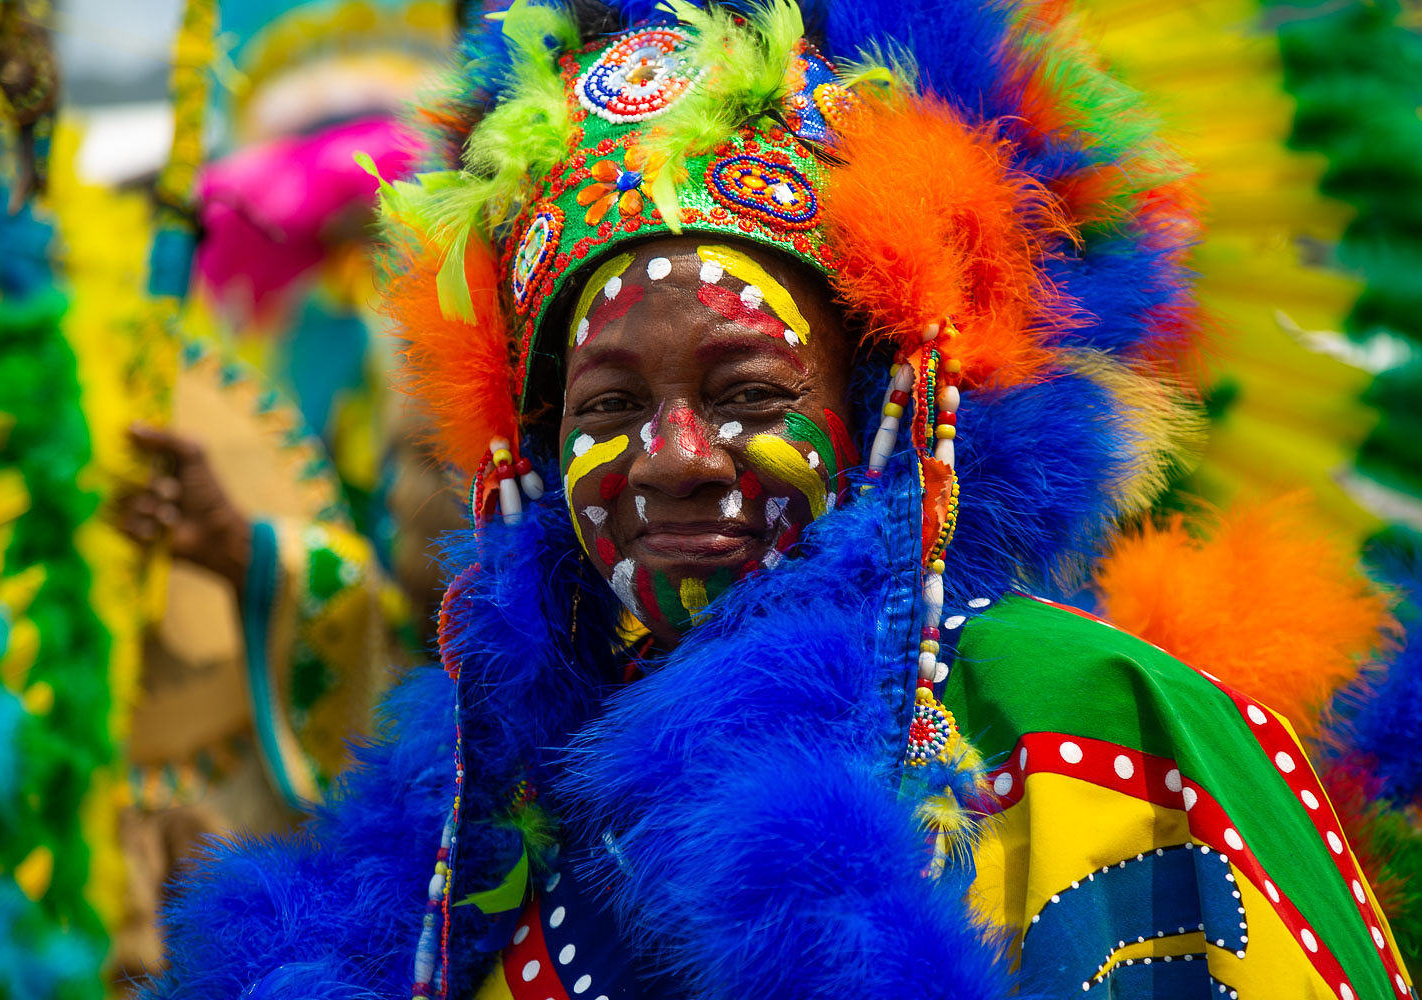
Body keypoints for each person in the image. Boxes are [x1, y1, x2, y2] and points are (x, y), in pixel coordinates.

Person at [144, 1, 1415, 998]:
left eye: (747, 388)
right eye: (605, 406)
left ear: (883, 416)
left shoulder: (1074, 720)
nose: (677, 453)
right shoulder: (476, 832)